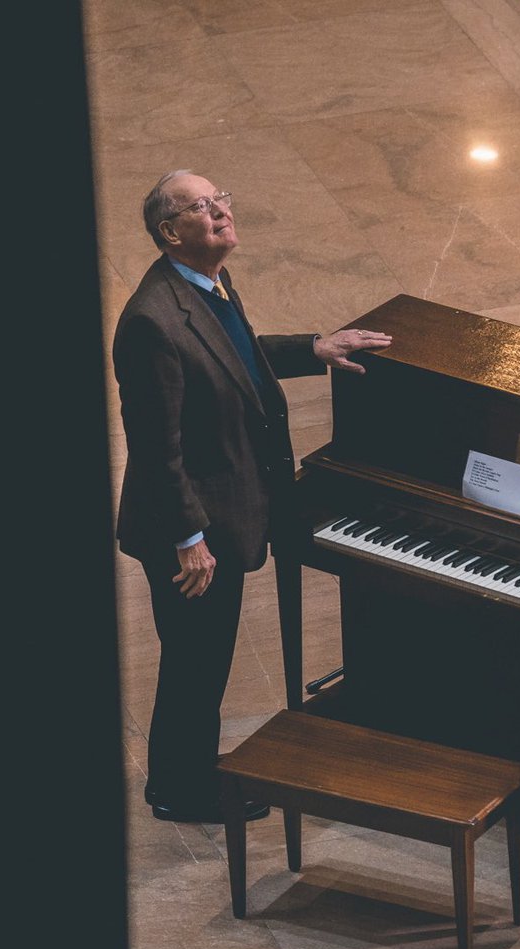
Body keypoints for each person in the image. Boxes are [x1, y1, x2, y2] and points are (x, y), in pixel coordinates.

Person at [114, 170, 391, 823]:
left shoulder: (206, 286)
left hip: (219, 514)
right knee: (195, 662)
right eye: (200, 208)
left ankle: (177, 777)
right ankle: (182, 790)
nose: (219, 214)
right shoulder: (154, 321)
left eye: (221, 201)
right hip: (193, 528)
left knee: (201, 658)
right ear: (168, 231)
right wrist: (190, 540)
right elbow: (159, 448)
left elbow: (238, 357)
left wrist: (315, 349)